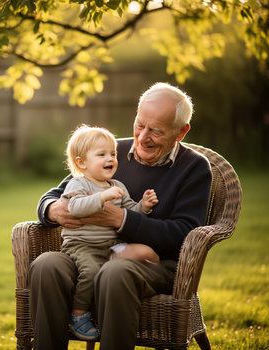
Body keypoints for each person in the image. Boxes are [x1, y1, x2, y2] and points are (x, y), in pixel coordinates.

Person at [29, 82, 213, 350]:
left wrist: (121, 219)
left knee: (115, 272)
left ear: (181, 132)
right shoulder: (110, 152)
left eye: (156, 131)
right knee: (47, 265)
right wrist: (51, 210)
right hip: (89, 251)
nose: (142, 137)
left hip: (153, 264)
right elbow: (56, 194)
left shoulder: (194, 168)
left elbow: (185, 235)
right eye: (140, 125)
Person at [61, 125, 159, 341]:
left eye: (113, 154)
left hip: (110, 245)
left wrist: (143, 206)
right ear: (81, 162)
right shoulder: (77, 183)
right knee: (91, 271)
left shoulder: (116, 185)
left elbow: (129, 212)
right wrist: (103, 198)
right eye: (102, 154)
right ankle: (78, 314)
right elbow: (75, 208)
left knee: (141, 254)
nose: (111, 159)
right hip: (82, 245)